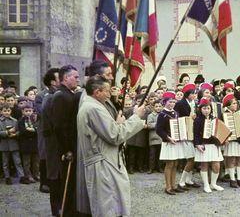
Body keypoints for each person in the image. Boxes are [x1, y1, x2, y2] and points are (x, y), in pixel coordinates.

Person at [77, 76, 145, 216]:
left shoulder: (91, 105)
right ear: (97, 92)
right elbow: (115, 135)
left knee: (111, 205)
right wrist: (136, 117)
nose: (109, 95)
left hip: (104, 161)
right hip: (103, 164)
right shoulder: (94, 108)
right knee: (108, 207)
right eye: (107, 91)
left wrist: (117, 124)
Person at [51, 65, 80, 216]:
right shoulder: (61, 96)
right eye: (75, 77)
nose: (77, 79)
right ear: (65, 78)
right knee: (66, 184)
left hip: (70, 145)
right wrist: (66, 149)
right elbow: (59, 127)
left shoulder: (68, 94)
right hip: (66, 148)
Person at [156, 91, 186, 195]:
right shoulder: (162, 115)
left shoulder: (176, 113)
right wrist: (168, 138)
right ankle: (168, 186)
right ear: (164, 102)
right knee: (169, 164)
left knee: (175, 163)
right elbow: (159, 130)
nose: (172, 104)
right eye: (170, 102)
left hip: (176, 141)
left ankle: (174, 185)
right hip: (168, 142)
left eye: (173, 102)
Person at [35, 68, 59, 193]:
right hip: (44, 130)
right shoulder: (41, 95)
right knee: (44, 155)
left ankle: (52, 181)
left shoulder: (59, 93)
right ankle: (44, 183)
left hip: (54, 131)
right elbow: (41, 112)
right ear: (52, 81)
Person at [193, 98, 224, 193]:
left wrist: (222, 140)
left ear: (211, 109)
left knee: (216, 165)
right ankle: (206, 185)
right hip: (203, 145)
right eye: (204, 108)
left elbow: (220, 131)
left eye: (208, 108)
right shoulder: (198, 120)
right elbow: (196, 134)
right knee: (204, 165)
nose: (206, 110)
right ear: (200, 109)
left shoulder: (215, 119)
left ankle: (213, 183)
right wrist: (197, 145)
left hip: (214, 145)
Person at [174, 83, 200, 190]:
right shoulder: (181, 103)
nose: (194, 95)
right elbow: (178, 118)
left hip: (192, 132)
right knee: (191, 158)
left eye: (195, 93)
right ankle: (181, 182)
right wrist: (190, 117)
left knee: (193, 158)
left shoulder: (193, 103)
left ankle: (188, 180)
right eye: (192, 93)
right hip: (185, 132)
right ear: (187, 94)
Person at [222, 93, 240, 188]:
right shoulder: (224, 115)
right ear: (228, 105)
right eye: (233, 103)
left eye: (236, 103)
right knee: (231, 159)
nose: (235, 105)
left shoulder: (239, 114)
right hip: (231, 140)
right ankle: (232, 179)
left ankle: (239, 178)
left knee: (239, 159)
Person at [0, 104, 29, 185]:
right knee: (5, 162)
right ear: (1, 112)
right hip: (4, 144)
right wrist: (7, 132)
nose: (6, 112)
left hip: (14, 144)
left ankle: (22, 176)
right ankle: (7, 177)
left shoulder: (15, 121)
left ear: (11, 111)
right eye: (4, 111)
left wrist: (15, 134)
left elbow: (19, 131)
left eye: (8, 111)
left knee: (18, 161)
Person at [18, 101, 40, 183]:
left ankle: (36, 174)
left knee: (36, 161)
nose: (28, 113)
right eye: (26, 111)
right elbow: (22, 131)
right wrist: (31, 131)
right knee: (26, 162)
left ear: (32, 111)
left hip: (34, 143)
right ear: (23, 111)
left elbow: (37, 130)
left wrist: (32, 130)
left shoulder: (34, 120)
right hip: (25, 144)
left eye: (30, 111)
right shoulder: (21, 121)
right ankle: (28, 175)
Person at [147, 99, 163, 174]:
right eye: (156, 106)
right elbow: (149, 125)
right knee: (152, 155)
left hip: (161, 138)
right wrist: (158, 124)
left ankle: (159, 167)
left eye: (160, 106)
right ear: (153, 107)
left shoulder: (163, 115)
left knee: (160, 154)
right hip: (153, 138)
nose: (158, 108)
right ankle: (151, 168)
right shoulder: (150, 115)